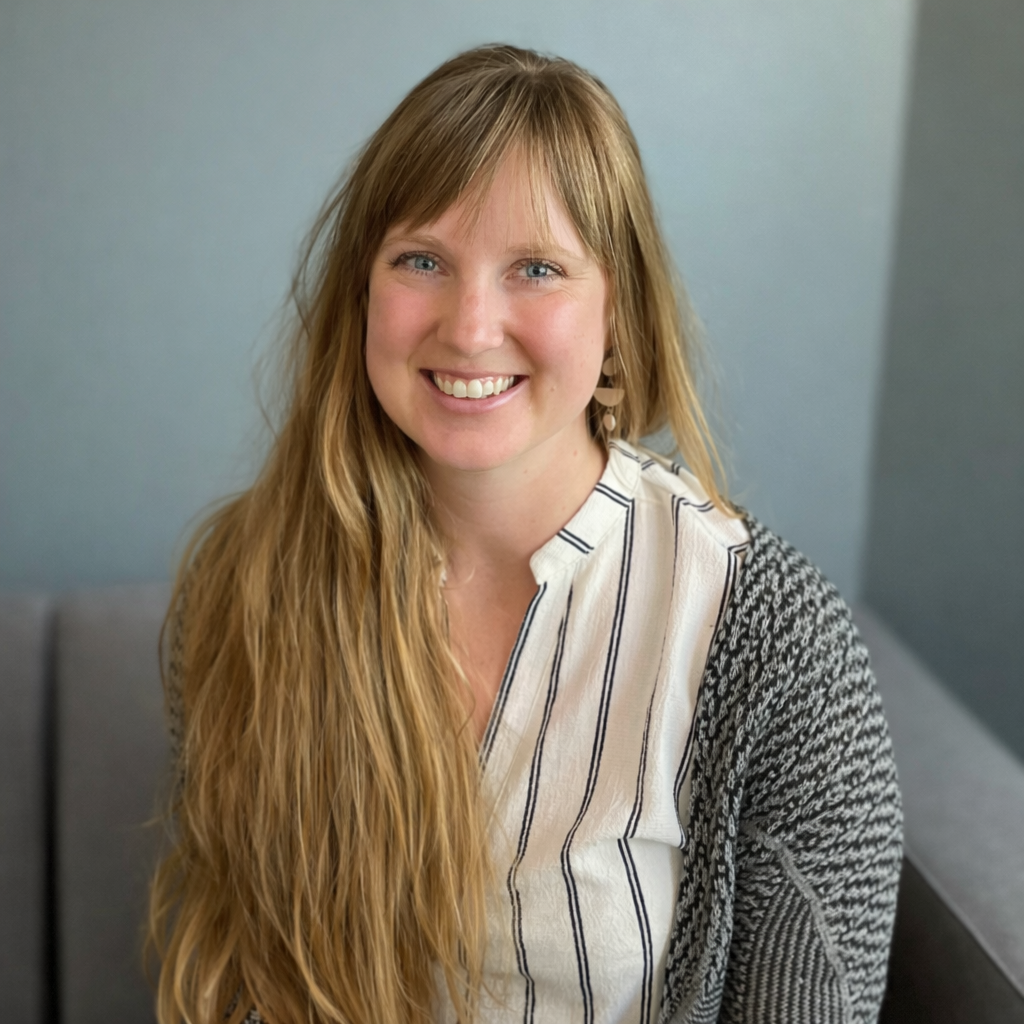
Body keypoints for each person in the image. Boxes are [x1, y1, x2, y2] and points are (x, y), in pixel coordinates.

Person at [150, 45, 902, 1024]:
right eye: (422, 260)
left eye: (535, 269)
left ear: (618, 311)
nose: (468, 328)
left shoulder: (773, 642)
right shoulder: (243, 590)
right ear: (362, 292)